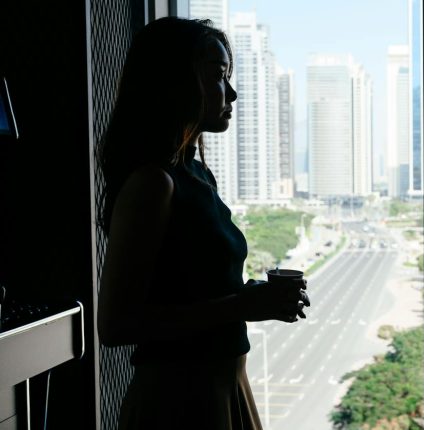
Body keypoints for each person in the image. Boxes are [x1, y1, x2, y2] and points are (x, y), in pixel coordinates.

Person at [96, 17, 310, 430]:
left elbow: (189, 289)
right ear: (173, 83)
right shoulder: (153, 183)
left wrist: (250, 299)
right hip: (179, 401)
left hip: (224, 387)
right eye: (216, 77)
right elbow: (116, 325)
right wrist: (243, 306)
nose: (231, 92)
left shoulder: (195, 175)